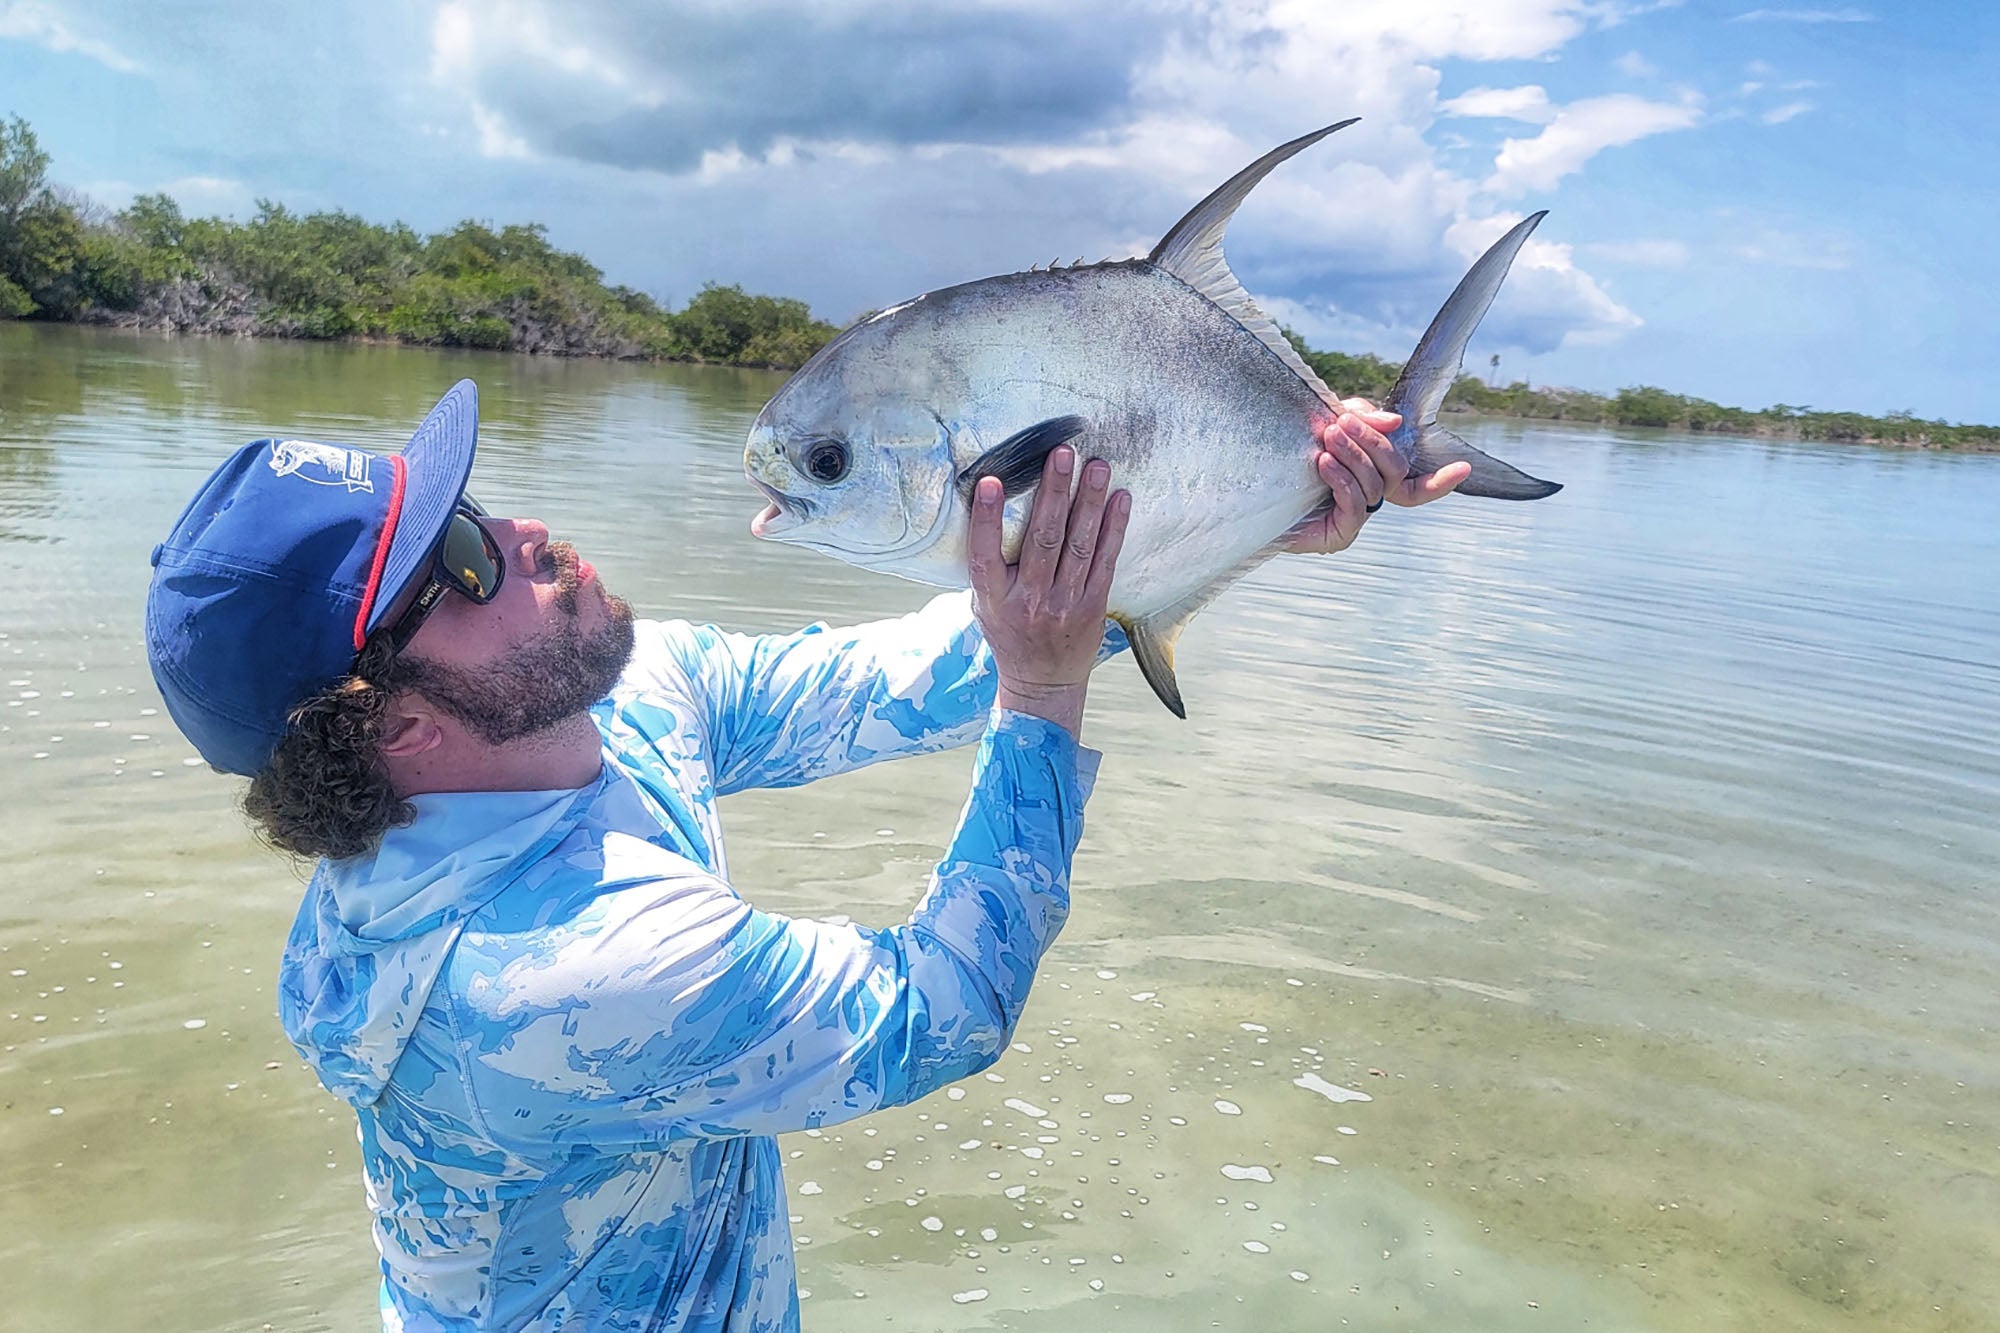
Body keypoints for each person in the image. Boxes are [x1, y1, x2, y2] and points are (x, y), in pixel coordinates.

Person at [143, 380, 1463, 1331]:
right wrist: (1043, 704)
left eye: (477, 501)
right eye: (467, 558)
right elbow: (940, 1009)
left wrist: (1223, 524)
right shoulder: (552, 972)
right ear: (411, 728)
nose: (528, 532)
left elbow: (883, 673)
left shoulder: (615, 694)